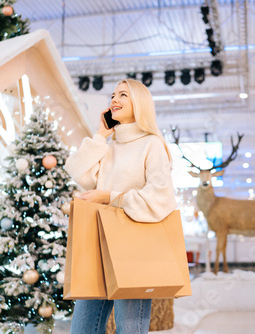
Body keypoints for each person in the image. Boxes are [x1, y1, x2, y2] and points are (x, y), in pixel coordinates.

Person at [65, 78, 177, 334]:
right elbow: (78, 172)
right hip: (98, 245)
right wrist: (100, 135)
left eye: (123, 95)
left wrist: (110, 197)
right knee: (81, 329)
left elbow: (160, 198)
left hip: (133, 248)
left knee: (129, 329)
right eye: (113, 95)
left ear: (139, 103)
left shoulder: (152, 144)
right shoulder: (109, 146)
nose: (114, 99)